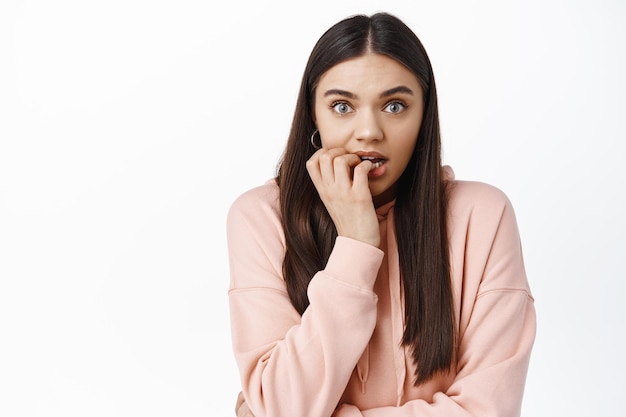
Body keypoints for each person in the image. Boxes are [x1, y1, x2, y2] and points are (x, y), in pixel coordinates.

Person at [226, 12, 535, 417]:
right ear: (313, 116)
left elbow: (487, 411)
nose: (369, 130)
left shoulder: (482, 216)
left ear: (424, 116)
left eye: (394, 105)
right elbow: (283, 405)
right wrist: (355, 245)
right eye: (341, 106)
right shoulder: (261, 218)